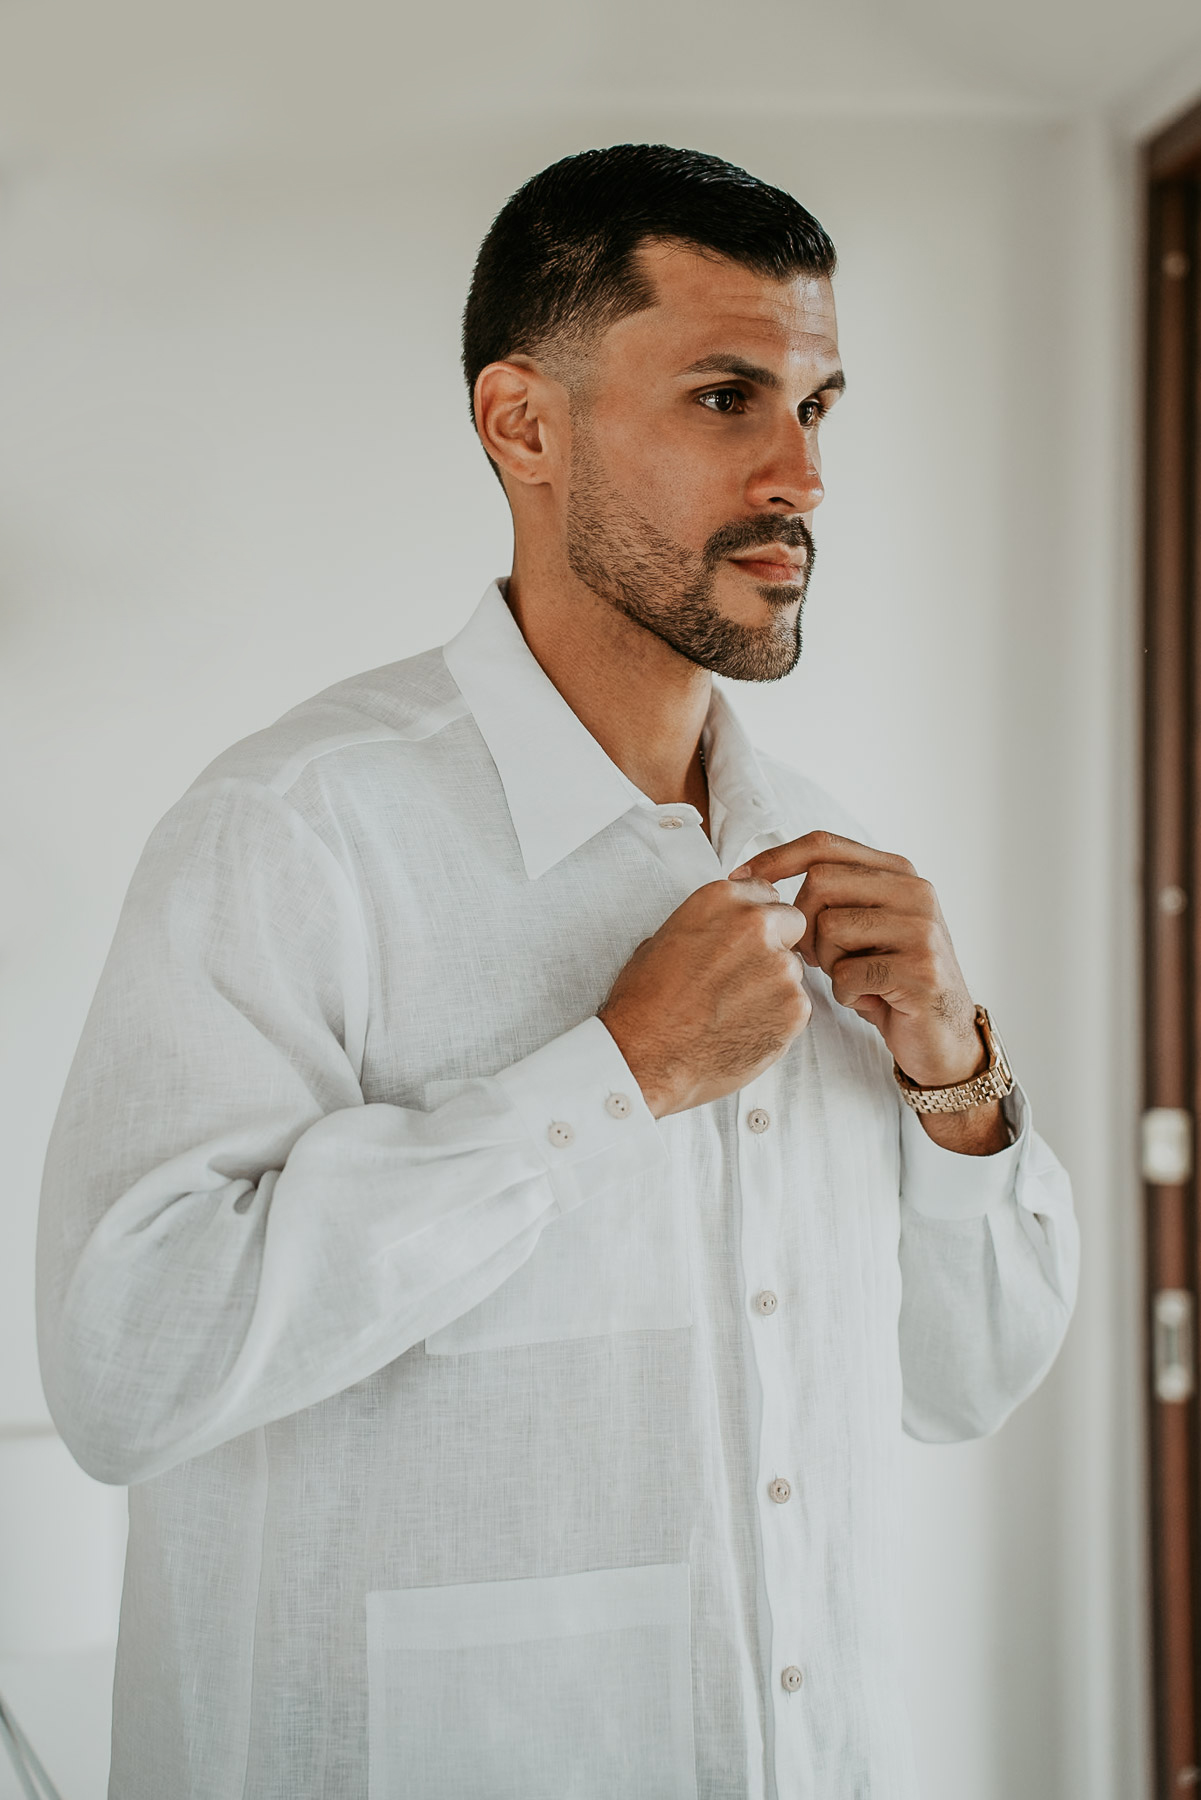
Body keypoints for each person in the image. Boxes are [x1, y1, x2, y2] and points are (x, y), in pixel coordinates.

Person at [37, 144, 1078, 1799]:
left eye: (817, 409)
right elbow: (124, 1374)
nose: (800, 477)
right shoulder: (293, 831)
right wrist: (616, 1079)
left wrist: (955, 1078)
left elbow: (962, 1385)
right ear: (523, 424)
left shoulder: (828, 863)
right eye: (727, 396)